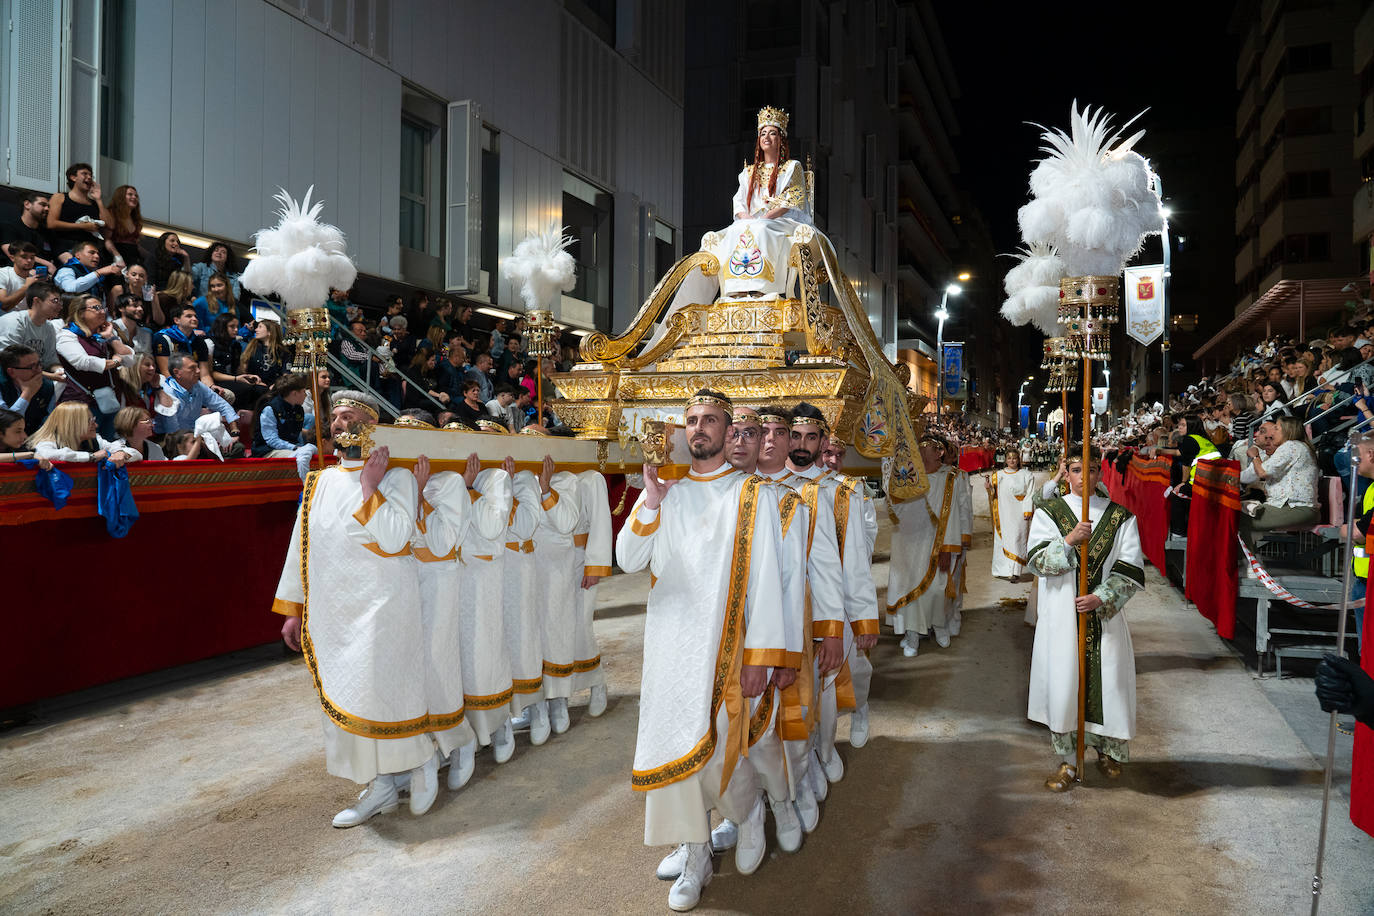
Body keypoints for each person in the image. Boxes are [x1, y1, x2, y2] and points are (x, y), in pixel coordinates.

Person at [617, 389, 786, 912]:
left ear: (728, 431)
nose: (699, 428)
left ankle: (747, 811)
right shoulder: (668, 490)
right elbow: (628, 559)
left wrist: (761, 656)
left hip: (724, 647)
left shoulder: (752, 494)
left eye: (710, 420)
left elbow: (767, 582)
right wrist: (650, 502)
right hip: (670, 646)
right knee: (675, 749)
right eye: (691, 420)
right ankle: (695, 851)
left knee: (718, 753)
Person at [272, 390, 453, 828]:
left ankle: (420, 761)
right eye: (334, 416)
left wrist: (370, 486)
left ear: (370, 426)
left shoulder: (398, 477)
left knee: (385, 691)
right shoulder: (319, 481)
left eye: (348, 415)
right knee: (351, 696)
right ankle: (381, 783)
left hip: (383, 606)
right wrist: (294, 608)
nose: (338, 423)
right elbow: (302, 547)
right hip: (333, 612)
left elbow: (395, 538)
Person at [1026, 445, 1144, 791]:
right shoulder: (1049, 512)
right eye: (1077, 470)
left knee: (1110, 683)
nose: (1083, 477)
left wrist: (1101, 597)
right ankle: (1068, 759)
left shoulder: (1121, 516)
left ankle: (1106, 750)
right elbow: (1036, 560)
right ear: (1067, 473)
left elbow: (1130, 567)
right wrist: (1069, 540)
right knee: (1064, 684)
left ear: (1099, 473)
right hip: (1061, 614)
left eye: (1091, 470)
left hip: (1104, 618)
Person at [784, 403, 878, 781]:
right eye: (795, 435)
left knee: (838, 675)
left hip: (833, 603)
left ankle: (828, 746)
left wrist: (863, 615)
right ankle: (803, 759)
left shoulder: (842, 493)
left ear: (823, 442)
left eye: (811, 437)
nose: (801, 444)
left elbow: (855, 559)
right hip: (786, 606)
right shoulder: (764, 485)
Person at [410, 451, 483, 796]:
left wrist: (418, 495)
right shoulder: (392, 477)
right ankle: (425, 745)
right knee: (412, 670)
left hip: (439, 579)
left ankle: (460, 738)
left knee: (439, 663)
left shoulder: (451, 482)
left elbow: (441, 543)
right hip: (403, 581)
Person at [887, 432, 965, 657]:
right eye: (918, 447)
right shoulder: (908, 476)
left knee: (936, 590)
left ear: (938, 452)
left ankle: (939, 626)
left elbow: (956, 513)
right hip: (908, 544)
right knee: (908, 588)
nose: (919, 451)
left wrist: (948, 547)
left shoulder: (951, 477)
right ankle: (912, 634)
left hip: (937, 542)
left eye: (925, 448)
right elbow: (893, 508)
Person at [54, 293, 135, 438]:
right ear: (80, 313)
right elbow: (83, 362)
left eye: (103, 308)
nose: (102, 311)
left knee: (108, 444)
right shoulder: (67, 335)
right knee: (84, 445)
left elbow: (130, 359)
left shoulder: (105, 333)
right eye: (96, 308)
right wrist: (115, 362)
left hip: (109, 401)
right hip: (81, 404)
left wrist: (111, 337)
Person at [1238, 416, 1320, 543]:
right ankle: (1249, 554)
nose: (1271, 433)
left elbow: (1262, 472)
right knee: (1236, 513)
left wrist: (1255, 456)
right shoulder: (1297, 446)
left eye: (1276, 428)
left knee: (1234, 518)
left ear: (1288, 430)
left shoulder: (1291, 446)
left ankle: (1247, 555)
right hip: (1294, 508)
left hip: (1297, 509)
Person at [154, 353, 239, 437]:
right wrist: (199, 441)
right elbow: (173, 431)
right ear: (177, 372)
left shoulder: (197, 385)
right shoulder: (168, 393)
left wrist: (234, 429)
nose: (198, 371)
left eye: (197, 367)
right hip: (168, 437)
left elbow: (221, 405)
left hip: (193, 433)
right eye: (192, 368)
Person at [27, 401, 132, 464]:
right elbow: (46, 455)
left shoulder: (95, 440)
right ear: (72, 424)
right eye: (90, 421)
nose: (96, 425)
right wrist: (91, 457)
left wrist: (121, 453)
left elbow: (135, 453)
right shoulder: (47, 442)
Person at [986, 450, 1036, 581]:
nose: (1012, 460)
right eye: (1009, 458)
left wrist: (1028, 510)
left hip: (1019, 513)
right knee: (1004, 539)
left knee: (1017, 539)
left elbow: (1030, 494)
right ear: (1005, 460)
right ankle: (1003, 570)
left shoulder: (1026, 475)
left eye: (1014, 458)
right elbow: (994, 493)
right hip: (1004, 512)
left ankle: (1015, 571)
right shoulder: (998, 475)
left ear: (1018, 459)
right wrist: (989, 488)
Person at [46, 163, 112, 261]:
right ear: (73, 177)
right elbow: (51, 223)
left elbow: (110, 225)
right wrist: (82, 226)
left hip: (91, 249)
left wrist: (99, 199)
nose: (89, 177)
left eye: (91, 175)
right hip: (66, 246)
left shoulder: (95, 204)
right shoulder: (60, 197)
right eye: (84, 174)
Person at [0, 282, 64, 380]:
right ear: (37, 301)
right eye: (55, 301)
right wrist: (50, 376)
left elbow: (50, 360)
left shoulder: (49, 327)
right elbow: (9, 361)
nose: (60, 306)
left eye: (61, 302)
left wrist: (59, 371)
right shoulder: (15, 321)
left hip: (34, 376)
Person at [252, 374, 314, 457]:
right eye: (303, 392)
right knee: (300, 456)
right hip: (268, 450)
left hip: (289, 447)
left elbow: (297, 435)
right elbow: (271, 440)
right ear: (295, 393)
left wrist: (302, 447)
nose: (305, 395)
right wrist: (295, 448)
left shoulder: (298, 409)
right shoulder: (270, 409)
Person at [1, 190, 57, 271]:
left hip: (45, 274)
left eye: (48, 206)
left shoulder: (47, 232)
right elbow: (12, 253)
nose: (47, 209)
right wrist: (48, 264)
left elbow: (60, 251)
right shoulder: (9, 227)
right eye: (43, 205)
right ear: (27, 204)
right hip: (17, 272)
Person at [0, 345, 51, 432]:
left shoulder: (47, 386)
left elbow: (48, 424)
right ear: (11, 372)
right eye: (32, 367)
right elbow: (5, 426)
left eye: (39, 364)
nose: (39, 371)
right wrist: (27, 394)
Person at [54, 240, 123, 302]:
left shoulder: (95, 274)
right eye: (92, 253)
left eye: (98, 254)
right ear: (78, 255)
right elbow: (69, 289)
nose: (97, 256)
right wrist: (98, 273)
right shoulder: (66, 270)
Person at [240, 316, 290, 387]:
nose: (256, 330)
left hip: (275, 388)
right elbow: (242, 370)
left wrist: (276, 386)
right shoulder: (252, 347)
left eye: (260, 327)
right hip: (252, 385)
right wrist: (252, 380)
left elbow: (286, 375)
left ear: (270, 332)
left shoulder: (282, 352)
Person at [0, 242, 43, 312]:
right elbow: (4, 305)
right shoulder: (2, 273)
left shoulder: (35, 279)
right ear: (12, 258)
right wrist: (26, 286)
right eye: (24, 257)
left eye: (32, 257)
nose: (29, 260)